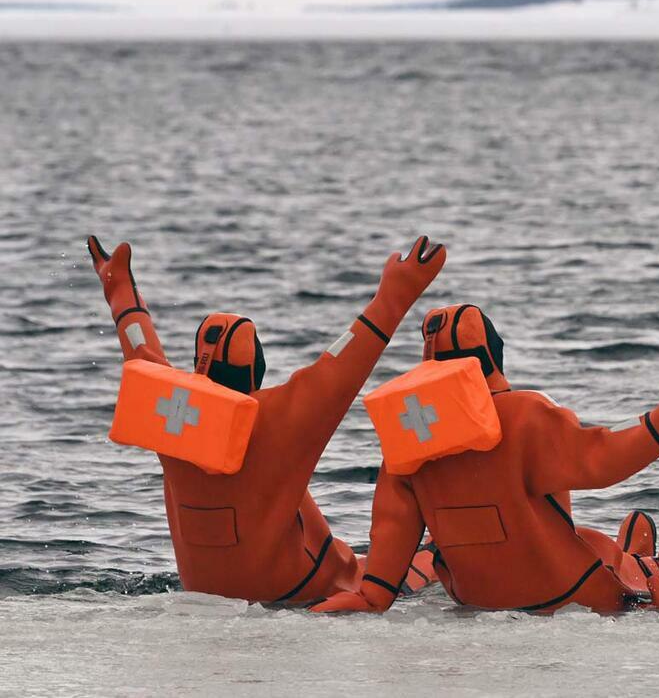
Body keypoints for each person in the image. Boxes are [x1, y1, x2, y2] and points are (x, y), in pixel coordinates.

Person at [87, 234, 445, 604]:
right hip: (302, 588)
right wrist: (397, 292)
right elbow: (342, 366)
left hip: (203, 586)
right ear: (256, 370)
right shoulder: (278, 418)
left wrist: (119, 289)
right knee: (424, 560)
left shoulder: (170, 414)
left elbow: (140, 350)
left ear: (198, 368)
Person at [312, 303, 659, 614]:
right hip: (565, 591)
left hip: (474, 596)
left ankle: (634, 550)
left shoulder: (407, 436)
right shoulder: (525, 416)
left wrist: (372, 596)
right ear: (493, 354)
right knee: (599, 547)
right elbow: (602, 456)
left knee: (449, 542)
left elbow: (392, 529)